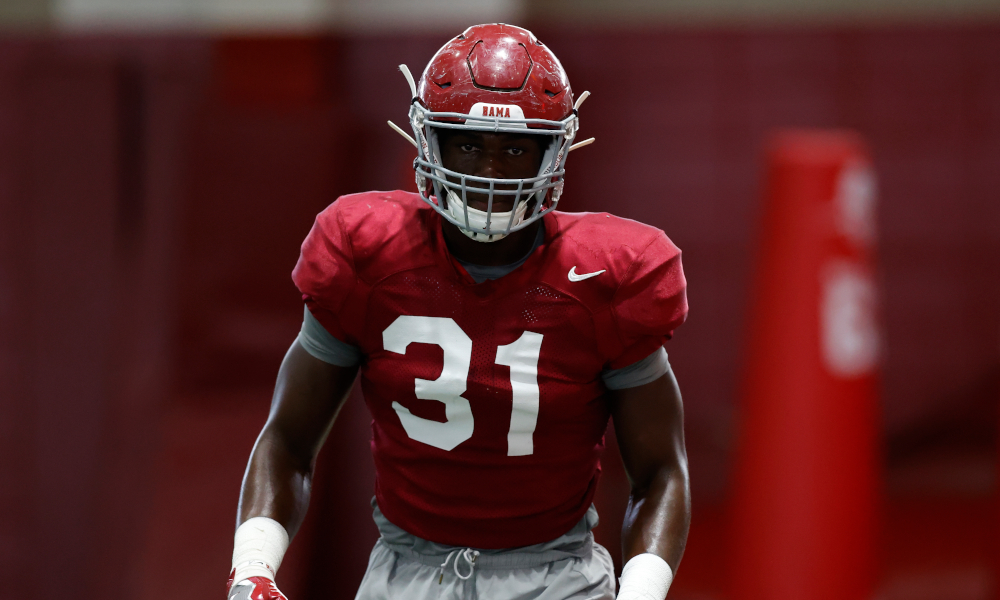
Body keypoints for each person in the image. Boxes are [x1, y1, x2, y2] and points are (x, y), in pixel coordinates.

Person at [227, 23, 690, 600]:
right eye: (468, 144)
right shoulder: (366, 254)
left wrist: (641, 591)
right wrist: (253, 569)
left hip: (559, 579)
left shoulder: (608, 276)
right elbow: (288, 438)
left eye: (515, 148)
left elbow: (660, 470)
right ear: (429, 142)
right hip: (405, 573)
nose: (488, 174)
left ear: (554, 151)